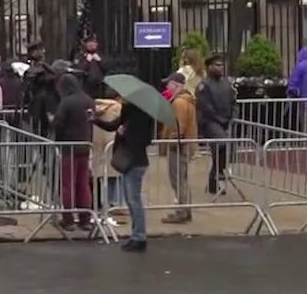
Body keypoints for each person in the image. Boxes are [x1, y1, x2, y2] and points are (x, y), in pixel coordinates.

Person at [92, 94, 156, 252]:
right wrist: (96, 120)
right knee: (131, 199)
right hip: (135, 160)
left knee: (134, 200)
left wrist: (123, 134)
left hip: (133, 160)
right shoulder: (133, 114)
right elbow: (113, 125)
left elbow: (136, 138)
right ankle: (137, 235)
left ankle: (139, 236)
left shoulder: (137, 117)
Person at [52, 73, 94, 231]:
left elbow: (58, 124)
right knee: (83, 183)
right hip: (85, 145)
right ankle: (85, 219)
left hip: (69, 147)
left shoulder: (66, 102)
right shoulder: (89, 100)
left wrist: (52, 121)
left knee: (68, 184)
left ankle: (68, 219)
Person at [160, 72, 198, 225]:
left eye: (168, 83)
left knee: (177, 179)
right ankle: (185, 209)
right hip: (184, 144)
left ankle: (182, 211)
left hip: (179, 145)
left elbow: (178, 125)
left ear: (175, 84)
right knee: (182, 178)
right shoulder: (185, 100)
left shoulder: (179, 103)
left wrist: (172, 141)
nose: (167, 86)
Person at [196, 54, 234, 195]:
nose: (220, 68)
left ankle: (214, 179)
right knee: (221, 144)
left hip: (225, 121)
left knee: (221, 151)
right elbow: (205, 106)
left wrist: (233, 116)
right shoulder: (204, 85)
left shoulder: (226, 83)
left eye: (221, 65)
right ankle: (219, 173)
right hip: (210, 122)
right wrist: (219, 119)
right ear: (209, 67)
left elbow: (233, 101)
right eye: (217, 65)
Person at [75, 35, 106, 99]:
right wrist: (87, 61)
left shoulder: (101, 55)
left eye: (94, 42)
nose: (92, 44)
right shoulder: (80, 56)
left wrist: (99, 61)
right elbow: (79, 70)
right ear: (86, 44)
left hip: (99, 87)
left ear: (97, 44)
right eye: (89, 42)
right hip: (86, 87)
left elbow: (107, 70)